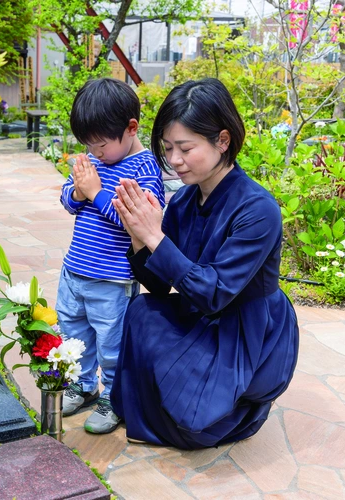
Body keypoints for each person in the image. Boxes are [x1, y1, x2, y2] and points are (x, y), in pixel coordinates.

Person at [109, 78, 299, 449]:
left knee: (194, 428)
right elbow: (160, 286)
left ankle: (245, 404)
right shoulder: (184, 202)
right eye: (168, 148)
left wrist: (155, 237)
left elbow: (215, 293)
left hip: (247, 328)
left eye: (185, 148)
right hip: (203, 312)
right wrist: (138, 236)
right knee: (143, 309)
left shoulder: (257, 209)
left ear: (222, 141)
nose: (175, 160)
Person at [57, 78, 166, 434]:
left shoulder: (144, 169)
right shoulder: (94, 159)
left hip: (112, 279)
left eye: (101, 145)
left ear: (131, 128)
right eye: (88, 145)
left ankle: (114, 399)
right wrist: (78, 191)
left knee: (112, 345)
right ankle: (84, 386)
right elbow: (68, 200)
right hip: (75, 271)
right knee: (75, 335)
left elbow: (139, 223)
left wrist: (96, 192)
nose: (95, 153)